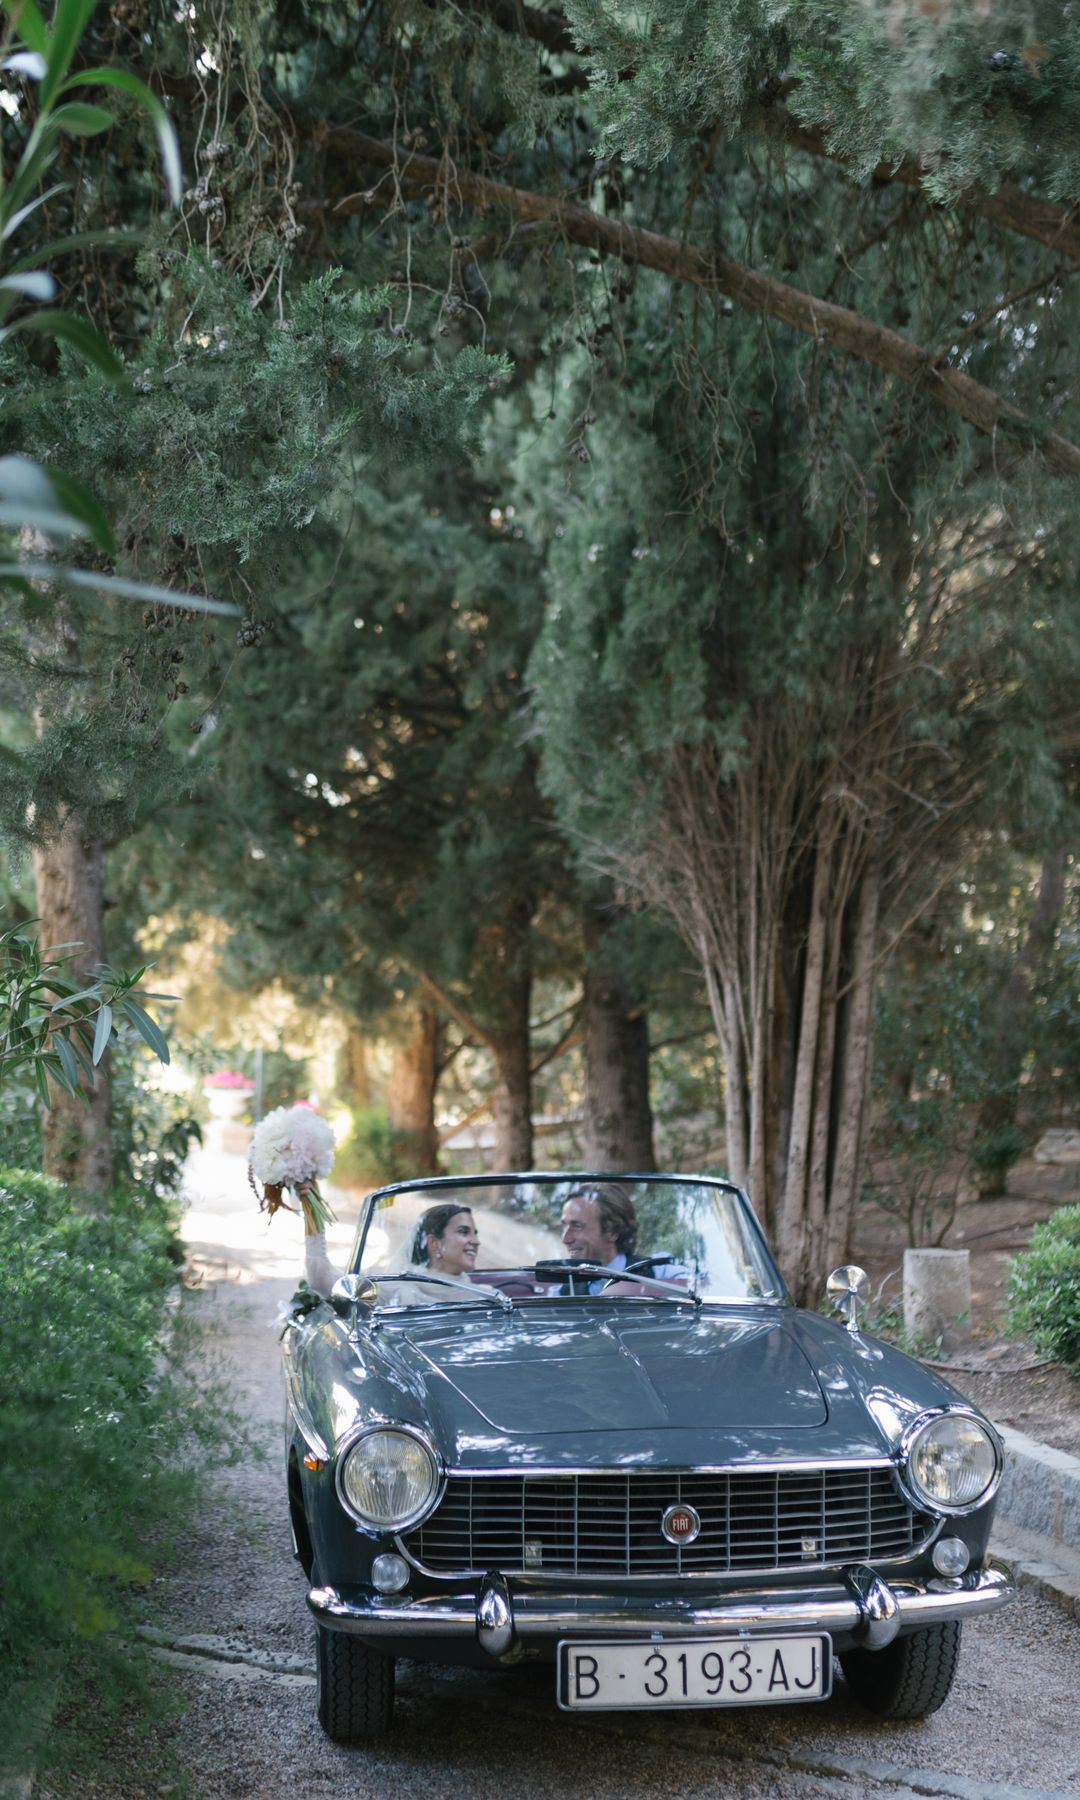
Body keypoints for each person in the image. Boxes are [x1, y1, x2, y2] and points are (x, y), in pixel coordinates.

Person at [558, 1184, 688, 1294]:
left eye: (577, 1226)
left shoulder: (658, 1272)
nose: (565, 1239)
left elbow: (700, 1288)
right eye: (564, 1226)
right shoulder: (562, 1291)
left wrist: (624, 1289)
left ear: (612, 1232)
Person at [410, 1203, 480, 1278]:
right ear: (434, 1243)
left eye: (475, 1233)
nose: (477, 1242)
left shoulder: (479, 1288)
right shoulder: (407, 1289)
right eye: (463, 1232)